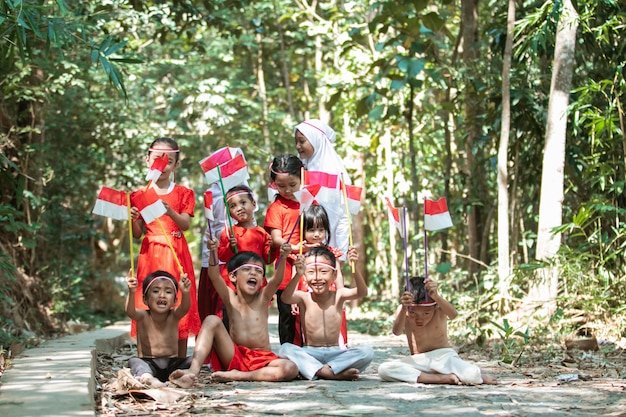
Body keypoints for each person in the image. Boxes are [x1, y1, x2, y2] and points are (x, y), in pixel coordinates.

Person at [170, 241, 299, 387]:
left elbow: (276, 280)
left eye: (258, 271)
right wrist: (212, 252)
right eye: (247, 269)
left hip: (262, 357)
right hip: (235, 355)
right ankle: (193, 370)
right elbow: (214, 276)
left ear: (262, 280)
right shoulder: (230, 297)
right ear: (233, 277)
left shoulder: (263, 297)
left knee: (290, 368)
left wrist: (283, 256)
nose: (253, 273)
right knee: (211, 320)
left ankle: (239, 376)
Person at [130, 137, 201, 357]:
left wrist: (170, 212)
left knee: (177, 299)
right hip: (150, 252)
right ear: (146, 160)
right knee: (147, 301)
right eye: (157, 160)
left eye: (168, 161)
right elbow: (136, 234)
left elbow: (186, 224)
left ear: (176, 165)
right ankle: (146, 357)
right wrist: (133, 218)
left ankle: (179, 359)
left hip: (175, 251)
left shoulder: (183, 193)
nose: (162, 166)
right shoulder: (139, 196)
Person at [377, 277, 497, 385]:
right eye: (413, 313)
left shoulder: (439, 307)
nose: (419, 318)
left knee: (472, 376)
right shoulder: (403, 310)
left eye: (426, 313)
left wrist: (436, 296)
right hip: (418, 361)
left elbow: (453, 315)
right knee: (384, 370)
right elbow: (397, 332)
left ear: (434, 308)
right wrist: (404, 308)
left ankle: (474, 376)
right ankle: (439, 378)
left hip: (444, 357)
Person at [279, 246, 374, 380]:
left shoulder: (339, 295)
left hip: (336, 353)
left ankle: (320, 370)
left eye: (324, 271)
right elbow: (286, 298)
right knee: (285, 349)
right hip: (310, 352)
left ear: (334, 275)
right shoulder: (304, 297)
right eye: (311, 272)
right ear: (305, 275)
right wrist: (297, 275)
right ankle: (331, 372)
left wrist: (355, 268)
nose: (317, 277)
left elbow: (361, 292)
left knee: (367, 352)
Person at [198, 147, 252, 323]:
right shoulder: (212, 194)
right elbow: (211, 224)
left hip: (240, 252)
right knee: (217, 307)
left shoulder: (245, 190)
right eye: (233, 164)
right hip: (217, 255)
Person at [126, 270, 192, 387]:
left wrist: (185, 293)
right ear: (145, 299)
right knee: (134, 361)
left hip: (173, 363)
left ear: (175, 301)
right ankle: (148, 378)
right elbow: (130, 311)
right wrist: (131, 292)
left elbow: (185, 308)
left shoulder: (174, 315)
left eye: (168, 292)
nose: (162, 295)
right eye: (156, 291)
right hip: (149, 362)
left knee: (194, 359)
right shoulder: (143, 316)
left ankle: (181, 377)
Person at [294, 119, 350, 258]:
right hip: (302, 252)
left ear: (315, 140)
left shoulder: (335, 172)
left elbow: (343, 216)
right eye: (296, 141)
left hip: (330, 253)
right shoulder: (298, 170)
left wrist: (341, 255)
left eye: (302, 141)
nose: (297, 146)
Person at [294, 204, 348, 348]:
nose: (316, 234)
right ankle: (308, 352)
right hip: (307, 294)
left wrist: (341, 294)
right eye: (311, 230)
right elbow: (296, 274)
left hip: (329, 293)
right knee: (307, 323)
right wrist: (294, 299)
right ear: (303, 231)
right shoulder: (301, 252)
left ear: (326, 230)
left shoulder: (331, 252)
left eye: (321, 230)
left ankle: (337, 350)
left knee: (332, 320)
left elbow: (338, 273)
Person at [263, 154, 303, 345]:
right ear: (274, 184)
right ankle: (288, 351)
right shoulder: (276, 208)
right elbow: (276, 238)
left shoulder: (309, 203)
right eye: (281, 186)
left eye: (293, 185)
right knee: (287, 314)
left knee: (307, 312)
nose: (287, 190)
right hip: (285, 269)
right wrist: (293, 247)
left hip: (308, 267)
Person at [218, 184, 274, 289]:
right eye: (233, 206)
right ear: (229, 213)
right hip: (233, 284)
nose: (239, 208)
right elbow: (221, 256)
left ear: (253, 204)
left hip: (255, 282)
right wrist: (230, 247)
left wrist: (274, 247)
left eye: (243, 202)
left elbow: (267, 259)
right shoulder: (228, 233)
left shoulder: (262, 233)